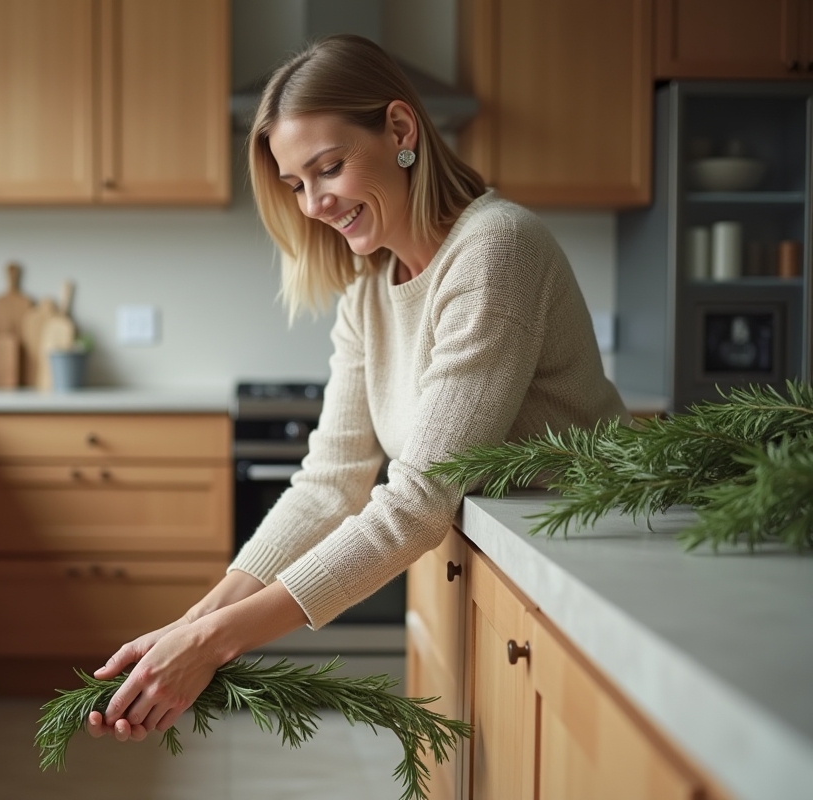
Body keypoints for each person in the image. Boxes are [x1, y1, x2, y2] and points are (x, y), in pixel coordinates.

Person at [86, 33, 628, 743]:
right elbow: (328, 484)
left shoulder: (496, 249)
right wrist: (193, 626)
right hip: (507, 560)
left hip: (589, 567)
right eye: (294, 185)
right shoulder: (369, 294)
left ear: (400, 130)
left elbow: (416, 501)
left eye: (329, 168)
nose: (312, 203)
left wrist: (218, 642)